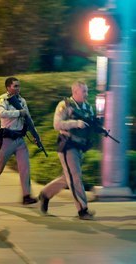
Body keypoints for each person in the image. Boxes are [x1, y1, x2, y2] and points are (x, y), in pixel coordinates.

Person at [38, 81, 96, 220]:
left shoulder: (88, 107)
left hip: (80, 146)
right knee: (75, 177)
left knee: (67, 178)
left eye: (87, 91)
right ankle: (82, 209)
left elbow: (92, 125)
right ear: (75, 92)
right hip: (67, 145)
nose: (86, 94)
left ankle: (45, 194)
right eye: (84, 91)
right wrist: (76, 123)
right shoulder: (65, 105)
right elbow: (57, 124)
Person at [0, 77, 38, 206]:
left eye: (18, 86)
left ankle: (26, 195)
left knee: (25, 167)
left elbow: (28, 118)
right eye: (15, 86)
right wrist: (18, 113)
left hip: (19, 139)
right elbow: (1, 113)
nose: (18, 88)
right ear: (8, 87)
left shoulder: (22, 101)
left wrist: (34, 134)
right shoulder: (3, 99)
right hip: (6, 139)